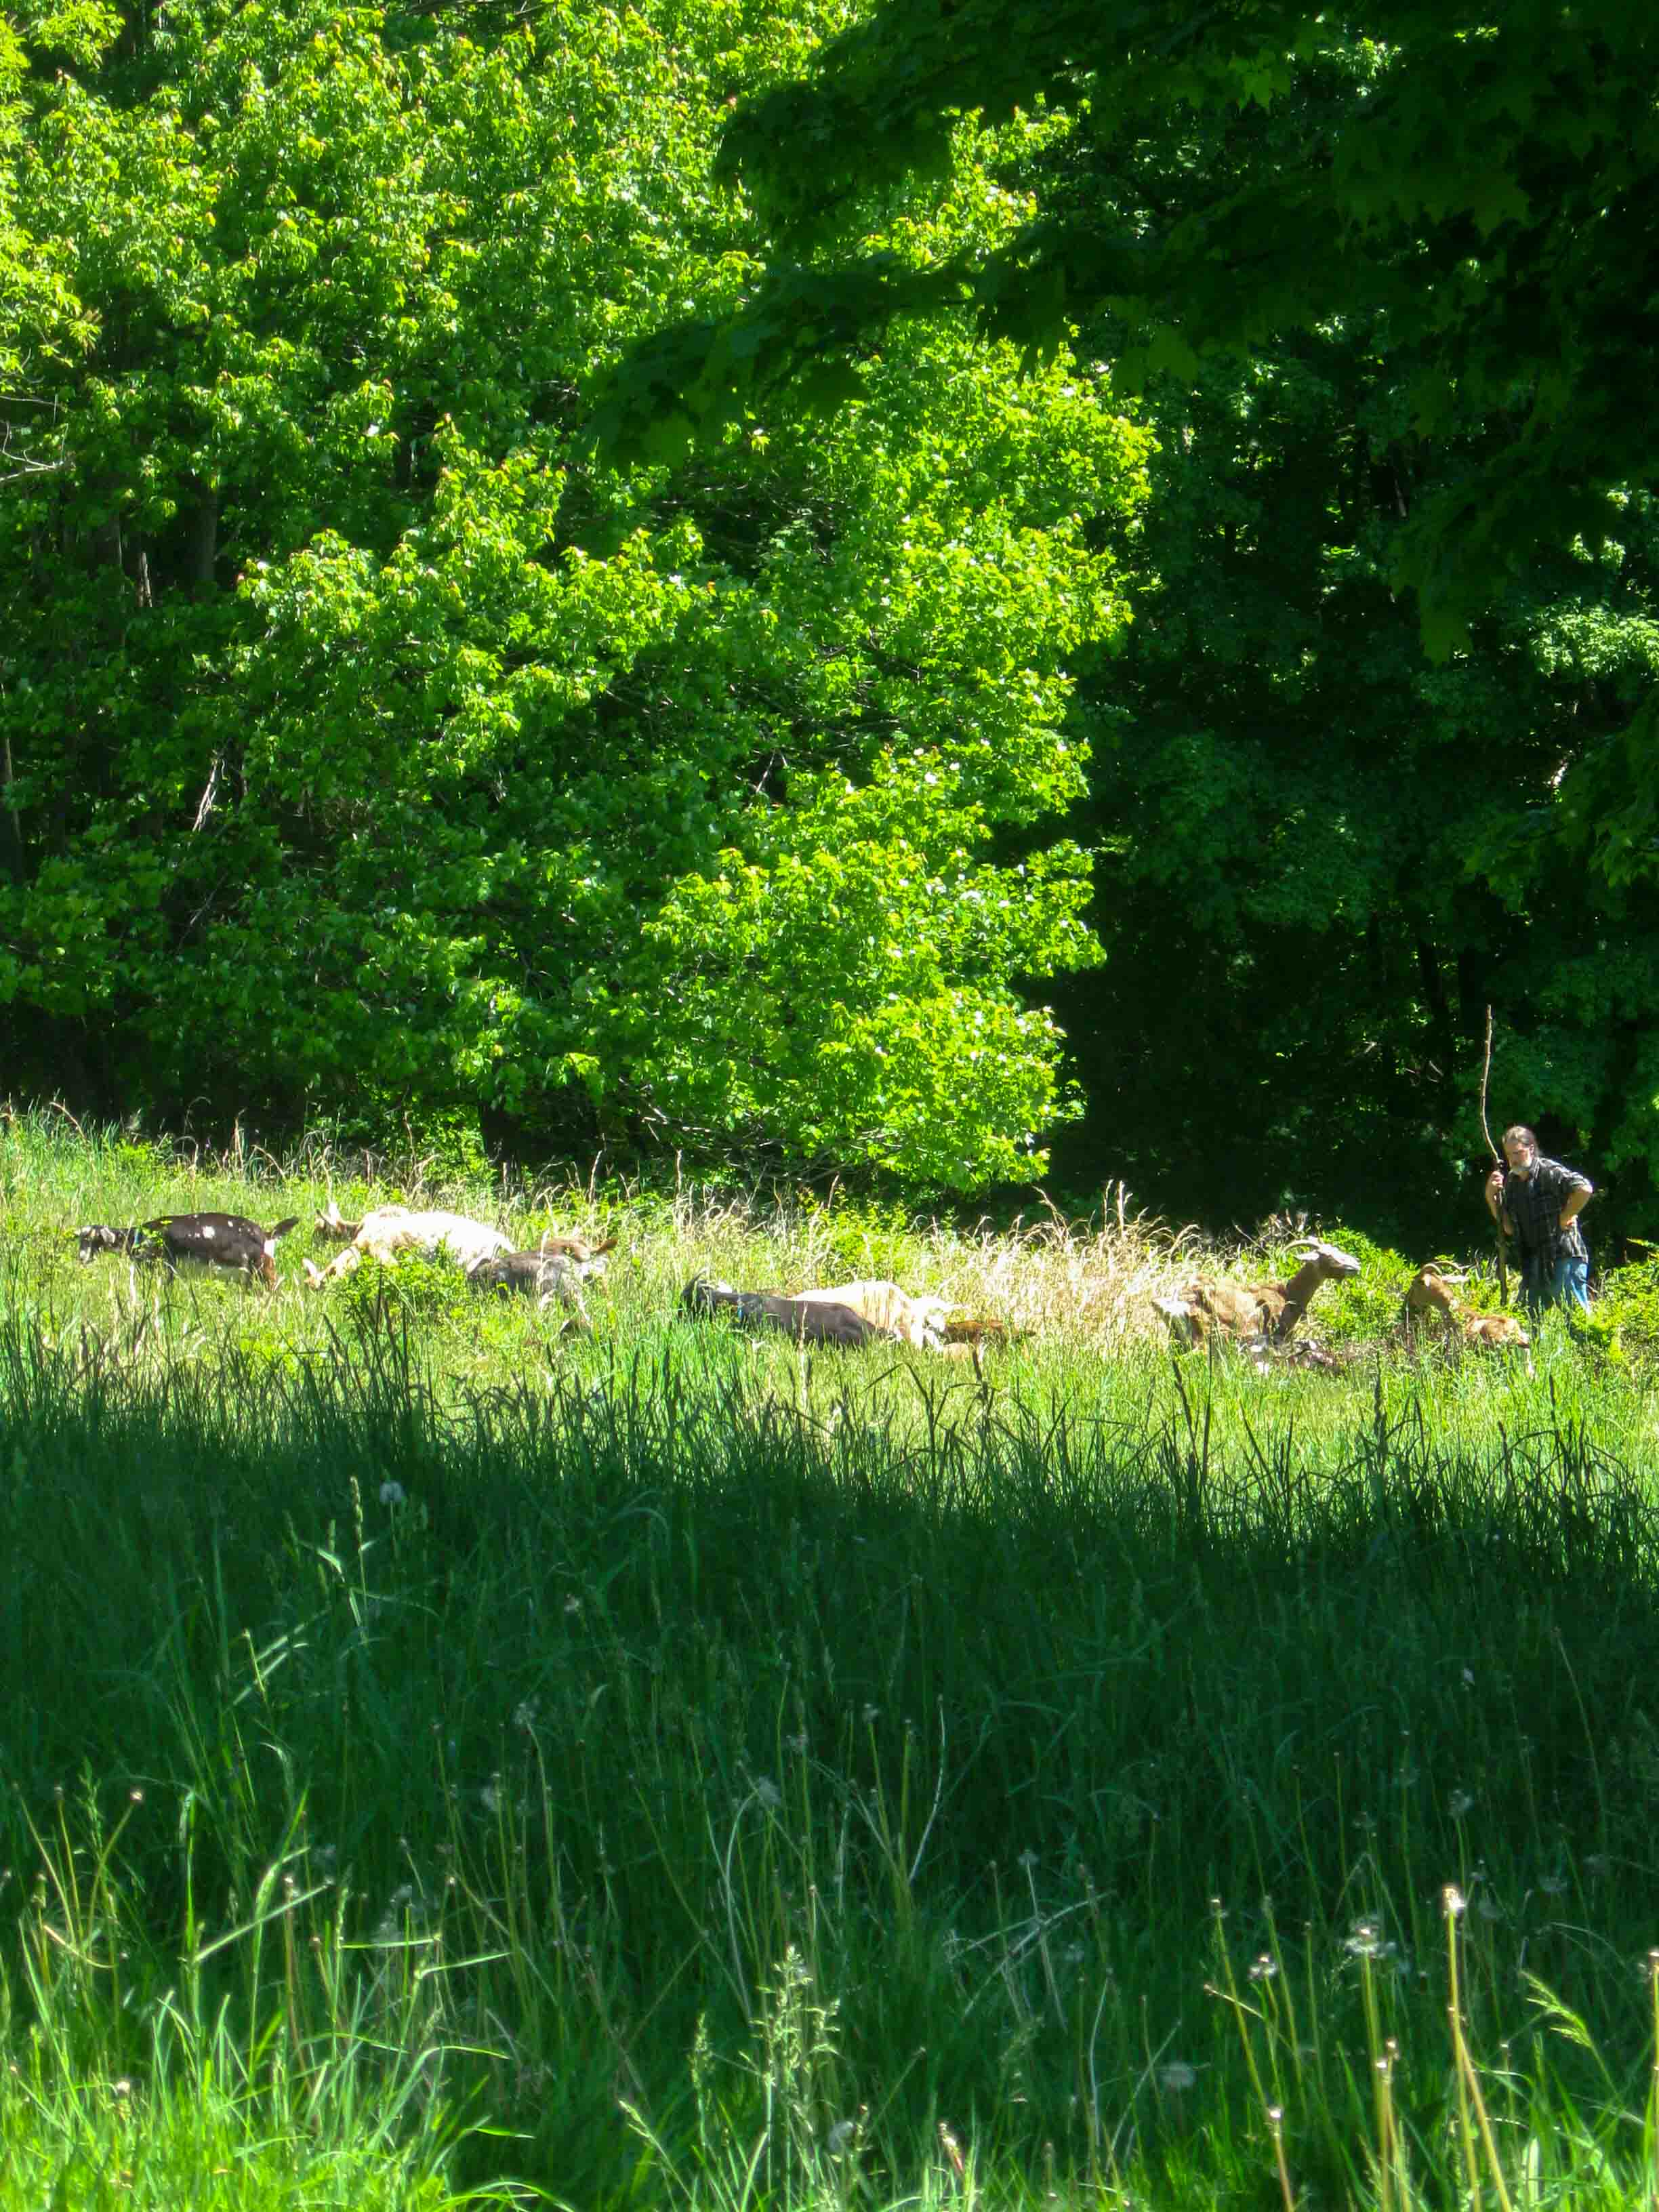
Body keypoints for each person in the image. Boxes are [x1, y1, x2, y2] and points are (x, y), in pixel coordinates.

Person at [1483, 1124, 1593, 1313]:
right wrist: (1491, 1198)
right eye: (1509, 1155)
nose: (1514, 1160)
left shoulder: (1548, 1171)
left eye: (1518, 1153)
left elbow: (1584, 1189)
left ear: (1531, 1149)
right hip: (1535, 1262)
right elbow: (1508, 1228)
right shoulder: (1511, 1182)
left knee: (1578, 1321)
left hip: (1563, 1254)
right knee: (1526, 1321)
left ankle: (1593, 1344)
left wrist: (1566, 1216)